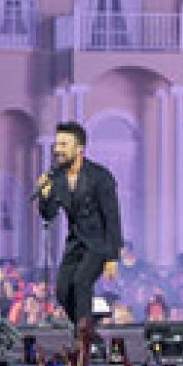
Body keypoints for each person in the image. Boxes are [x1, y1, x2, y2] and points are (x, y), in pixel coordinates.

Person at [35, 121, 122, 340]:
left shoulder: (100, 176)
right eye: (57, 145)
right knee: (63, 290)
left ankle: (82, 339)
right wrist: (44, 194)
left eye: (64, 144)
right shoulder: (57, 178)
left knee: (81, 282)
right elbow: (49, 214)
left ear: (79, 148)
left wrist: (112, 256)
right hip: (75, 243)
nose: (58, 150)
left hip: (98, 244)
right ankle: (89, 333)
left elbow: (112, 217)